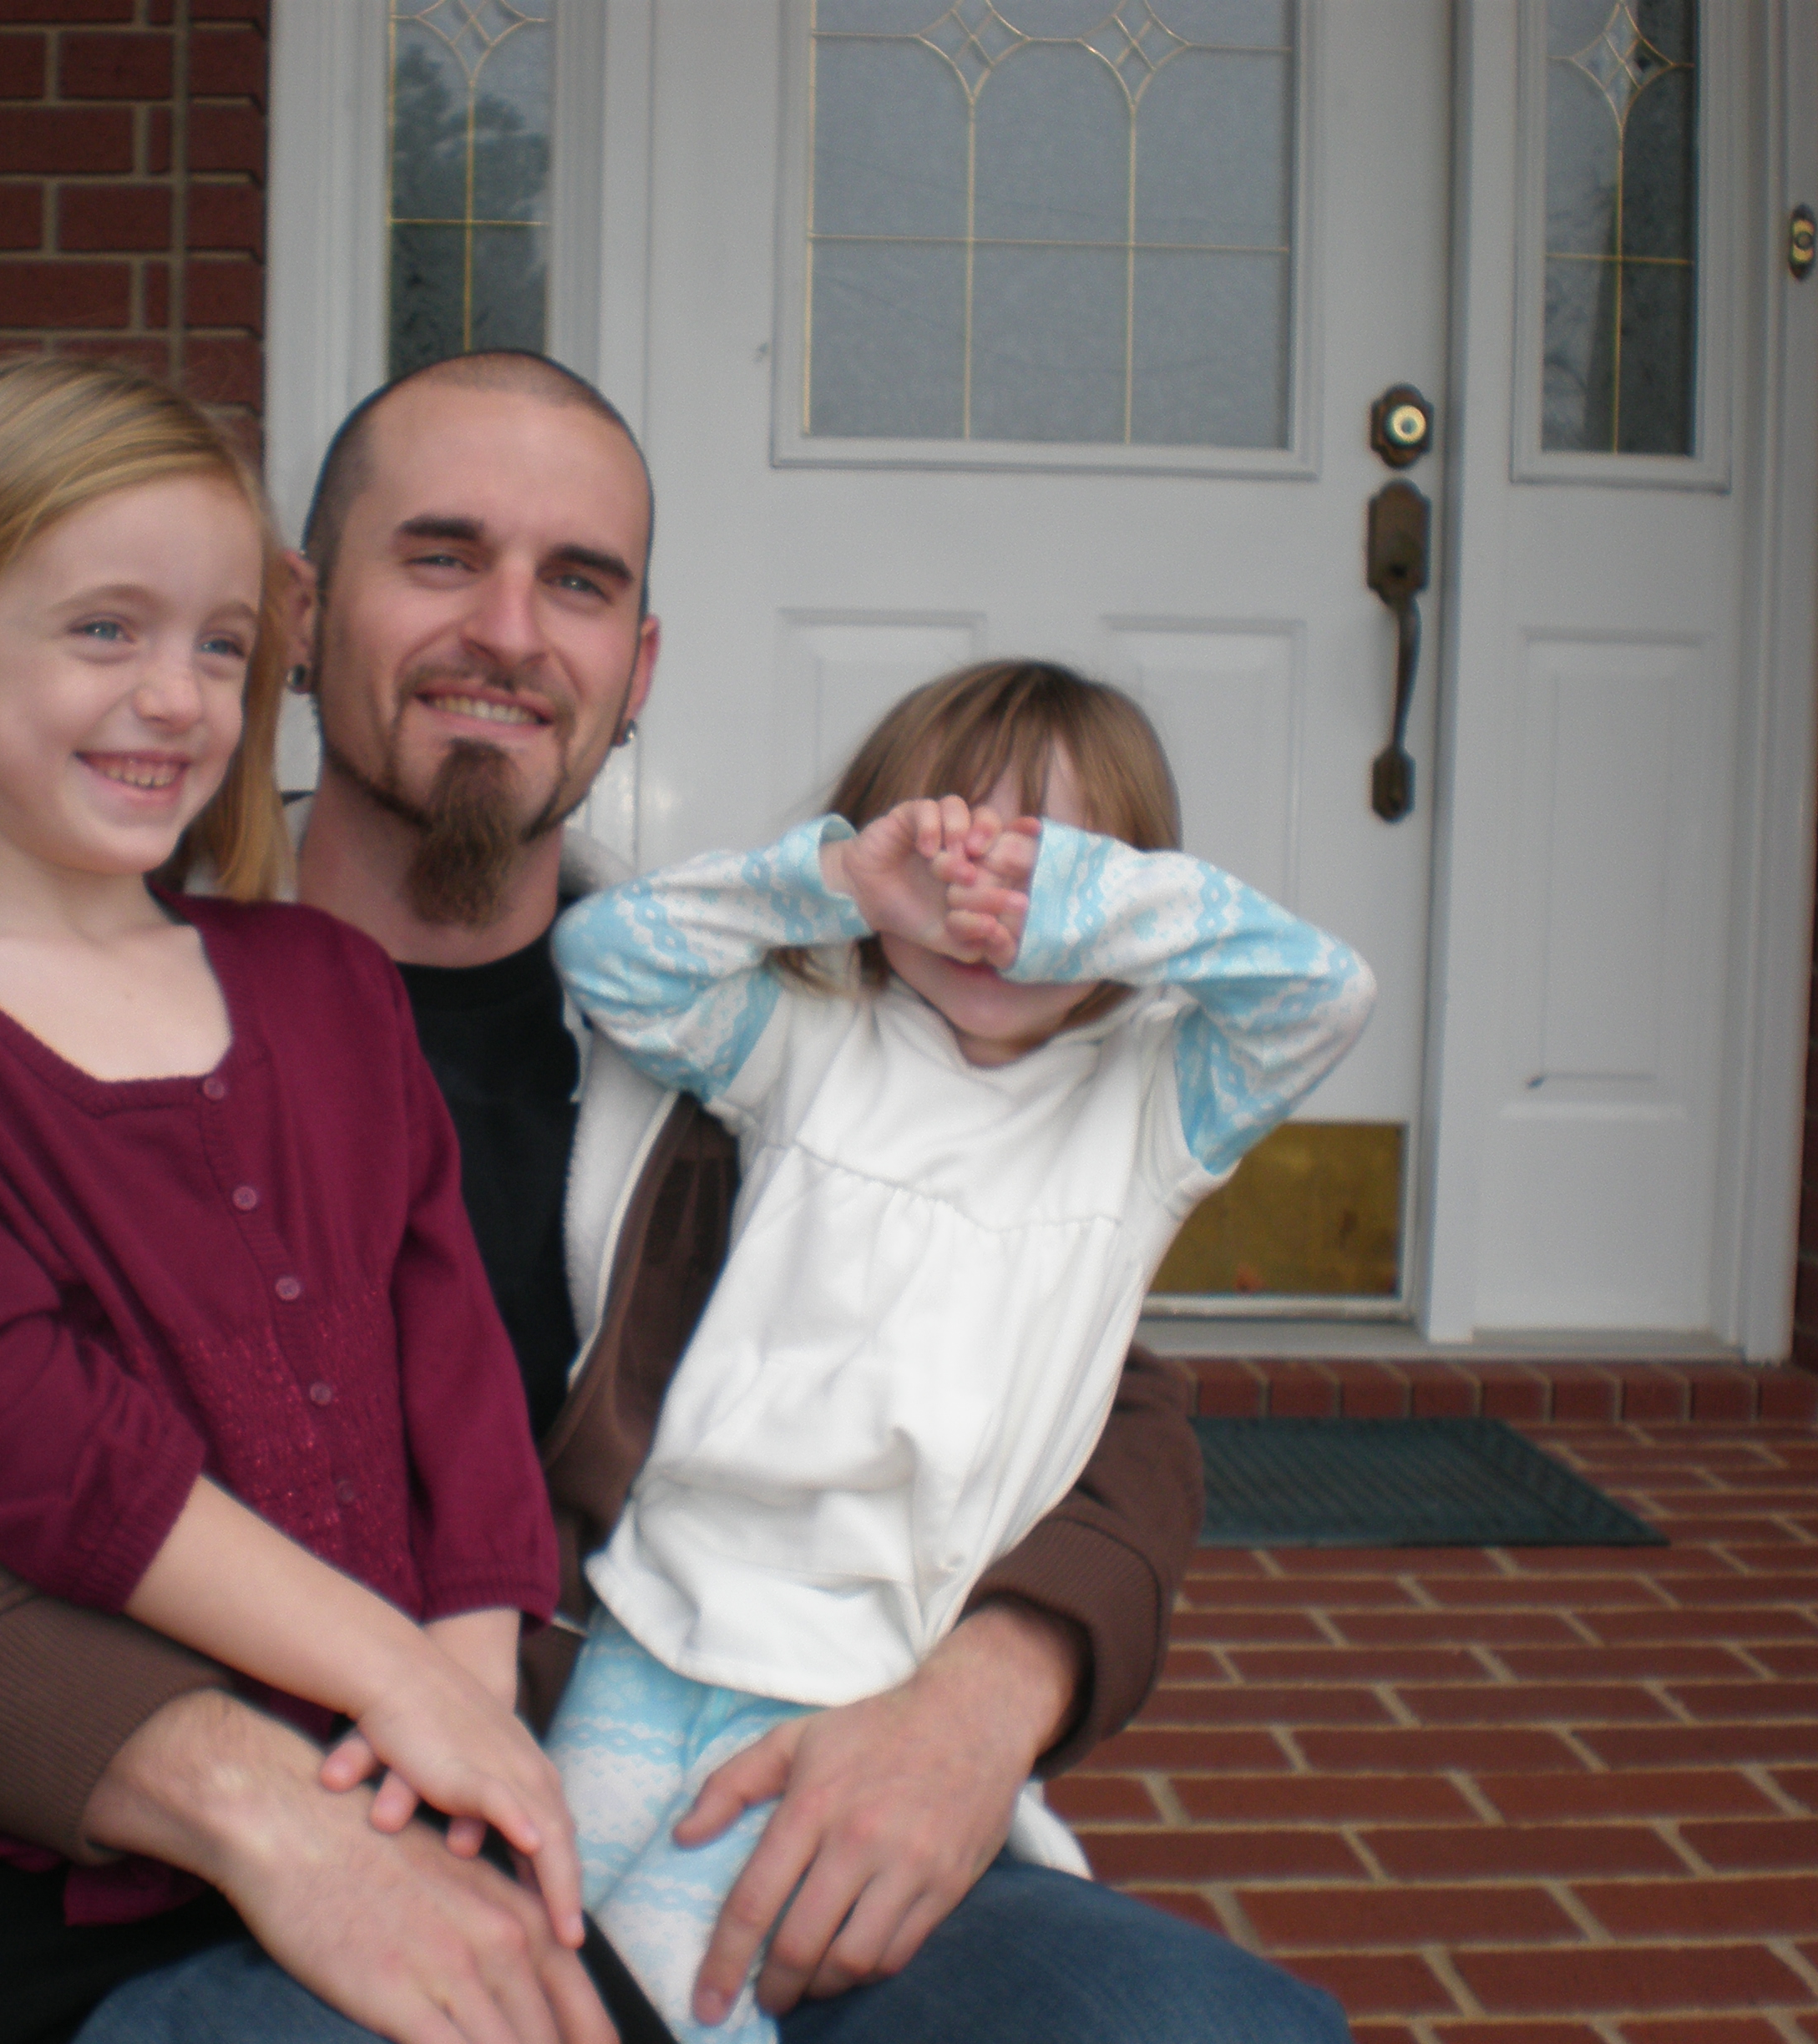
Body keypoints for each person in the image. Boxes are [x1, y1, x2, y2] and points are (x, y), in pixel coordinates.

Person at [0, 349, 1356, 2044]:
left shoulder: (774, 1038)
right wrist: (223, 1784)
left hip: (694, 1801)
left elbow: (1102, 1378)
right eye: (441, 556)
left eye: (578, 583)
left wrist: (987, 1696)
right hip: (178, 1841)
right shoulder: (17, 1017)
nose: (510, 633)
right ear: (304, 615)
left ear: (636, 663)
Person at [0, 351, 585, 2005]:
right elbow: (12, 1421)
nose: (180, 697)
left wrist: (467, 1682)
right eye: (102, 630)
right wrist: (388, 1674)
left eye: (219, 645)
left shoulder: (327, 985)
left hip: (413, 1771)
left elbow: (451, 1355)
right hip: (61, 1849)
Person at [540, 663, 1375, 2037]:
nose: (992, 919)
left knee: (675, 1990)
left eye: (1045, 877)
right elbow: (609, 958)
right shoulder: (813, 1044)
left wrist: (1094, 905)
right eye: (954, 864)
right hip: (654, 1612)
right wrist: (838, 884)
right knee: (537, 1931)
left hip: (855, 1684)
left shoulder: (1150, 1111)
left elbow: (1327, 994)